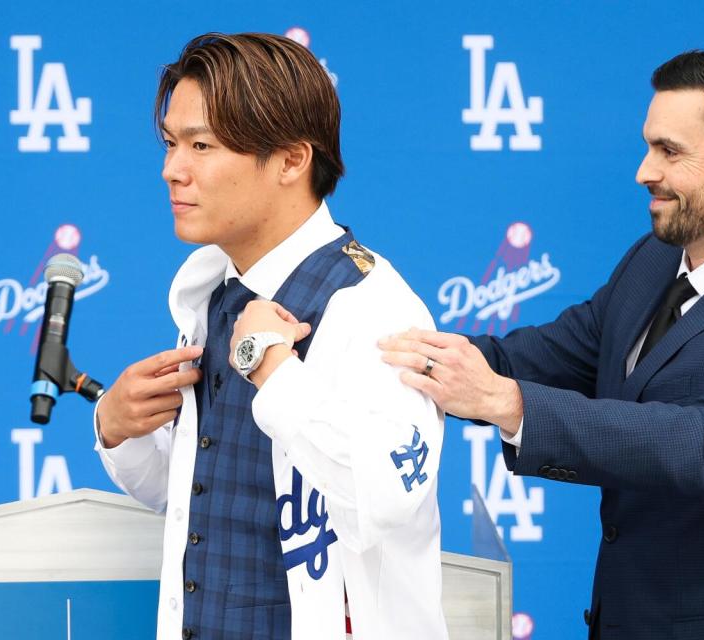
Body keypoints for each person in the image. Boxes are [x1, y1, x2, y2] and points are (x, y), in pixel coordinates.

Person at [380, 46, 704, 640]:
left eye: (670, 151)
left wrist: (510, 404)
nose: (644, 171)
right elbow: (528, 359)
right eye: (649, 145)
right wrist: (376, 347)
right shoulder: (651, 263)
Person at [94, 32, 448, 640]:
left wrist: (274, 369)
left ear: (291, 160)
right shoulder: (211, 293)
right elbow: (203, 501)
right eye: (171, 143)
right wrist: (118, 429)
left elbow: (389, 495)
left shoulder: (374, 305)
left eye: (201, 145)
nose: (172, 170)